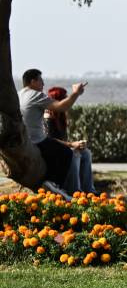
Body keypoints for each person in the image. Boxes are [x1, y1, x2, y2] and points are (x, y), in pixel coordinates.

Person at [17, 69, 86, 198]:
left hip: (22, 140)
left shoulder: (18, 95)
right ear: (33, 81)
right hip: (36, 140)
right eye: (41, 81)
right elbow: (61, 107)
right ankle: (54, 184)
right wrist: (76, 93)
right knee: (66, 153)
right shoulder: (35, 95)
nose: (43, 84)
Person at [44, 87, 96, 194]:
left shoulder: (61, 115)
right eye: (65, 98)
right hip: (50, 151)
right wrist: (72, 144)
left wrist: (76, 144)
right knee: (74, 154)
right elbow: (50, 140)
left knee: (86, 153)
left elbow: (62, 140)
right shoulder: (48, 117)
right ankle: (75, 191)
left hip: (60, 148)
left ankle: (89, 191)